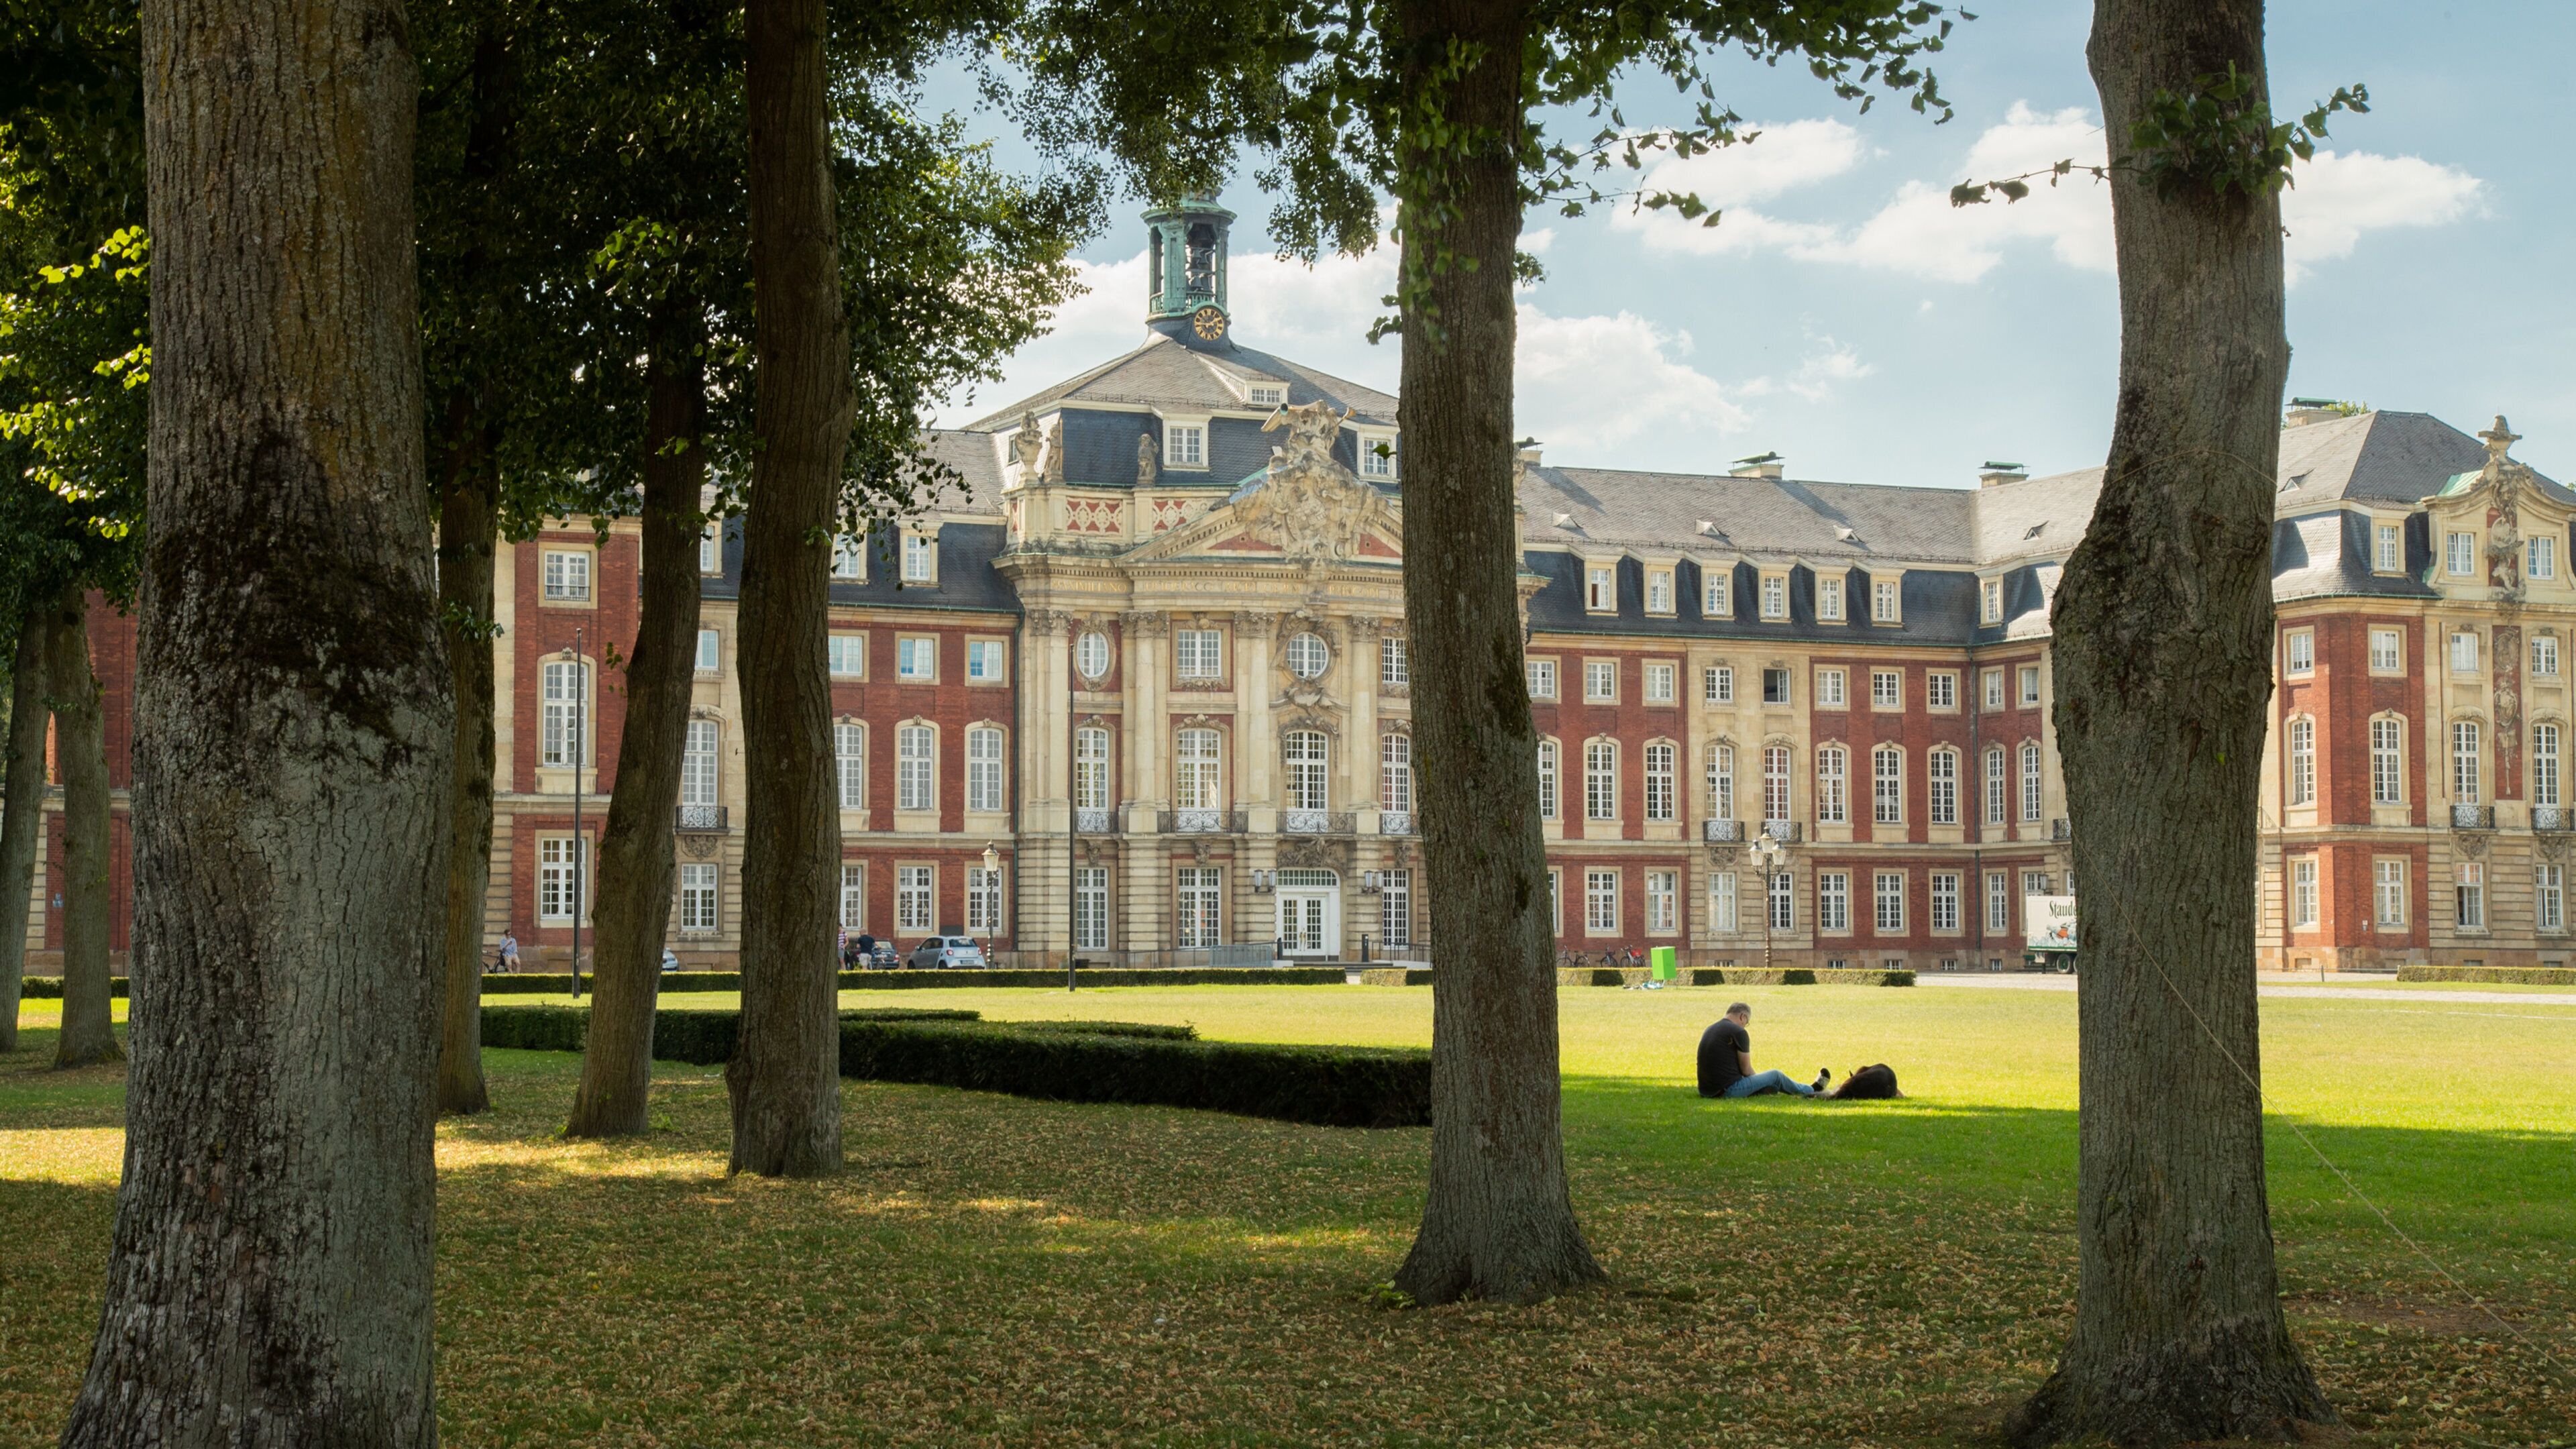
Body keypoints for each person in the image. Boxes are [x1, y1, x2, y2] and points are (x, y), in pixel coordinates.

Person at [1697, 1002, 1828, 1099]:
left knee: (1772, 1086)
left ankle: (1763, 1090)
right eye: (1747, 1022)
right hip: (1727, 1090)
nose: (1745, 1025)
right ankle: (1812, 1090)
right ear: (1743, 1017)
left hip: (1706, 1091)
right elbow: (1746, 1071)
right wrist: (1758, 1081)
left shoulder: (1711, 1028)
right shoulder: (1739, 1032)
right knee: (1776, 1076)